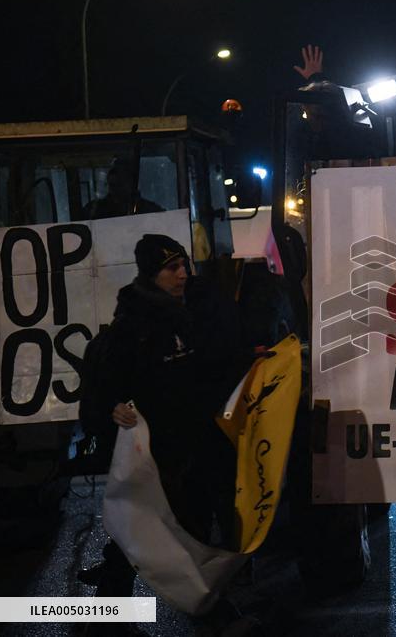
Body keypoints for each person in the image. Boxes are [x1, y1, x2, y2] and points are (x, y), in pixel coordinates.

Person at [86, 234, 251, 627]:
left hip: (194, 444)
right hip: (159, 452)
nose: (182, 275)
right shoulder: (133, 326)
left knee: (181, 530)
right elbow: (106, 384)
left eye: (184, 266)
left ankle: (113, 619)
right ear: (151, 274)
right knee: (146, 535)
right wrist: (115, 409)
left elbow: (216, 363)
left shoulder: (195, 309)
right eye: (171, 268)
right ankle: (207, 617)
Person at [82, 159, 164, 220]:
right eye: (111, 185)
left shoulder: (149, 210)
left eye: (119, 184)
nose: (114, 189)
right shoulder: (96, 210)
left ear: (130, 184)